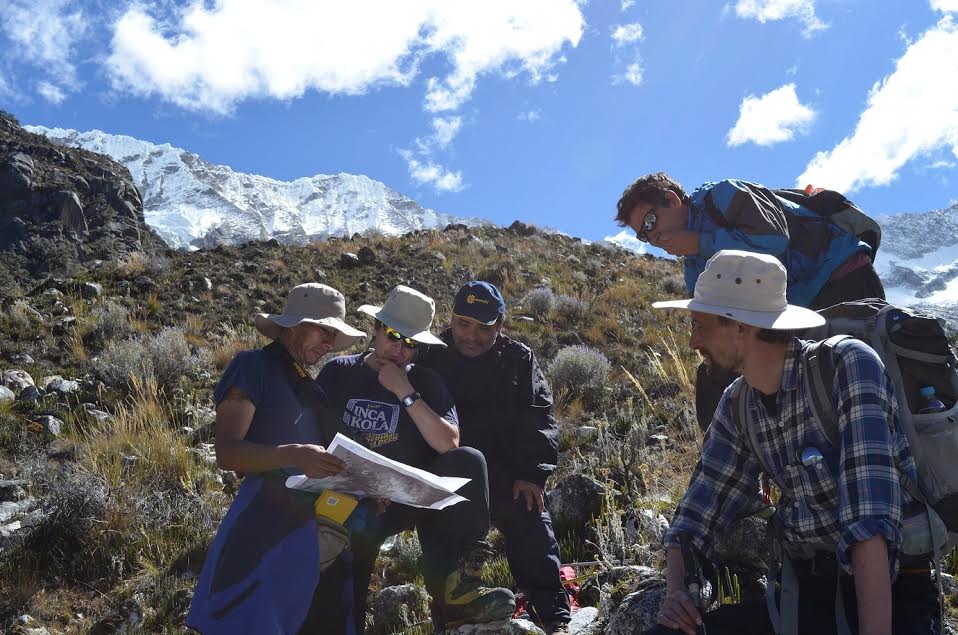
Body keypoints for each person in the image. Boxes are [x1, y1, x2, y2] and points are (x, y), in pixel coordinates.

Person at [644, 250, 939, 635]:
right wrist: (676, 595)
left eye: (699, 325)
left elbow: (870, 525)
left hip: (890, 592)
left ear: (739, 326)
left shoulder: (847, 366)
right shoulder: (738, 403)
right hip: (806, 593)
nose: (692, 341)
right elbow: (694, 518)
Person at [614, 173, 886, 430]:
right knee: (716, 378)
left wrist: (702, 242)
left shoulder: (723, 196)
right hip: (798, 308)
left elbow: (773, 239)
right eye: (643, 235)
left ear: (672, 200)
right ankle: (728, 462)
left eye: (650, 223)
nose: (653, 238)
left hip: (843, 278)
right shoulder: (693, 262)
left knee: (868, 383)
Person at [316, 284, 516, 632]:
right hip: (349, 500)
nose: (399, 348)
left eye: (411, 342)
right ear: (375, 329)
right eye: (393, 335)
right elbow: (315, 437)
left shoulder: (426, 382)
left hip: (402, 501)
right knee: (344, 599)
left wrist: (403, 391)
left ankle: (461, 586)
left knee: (469, 460)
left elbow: (449, 445)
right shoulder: (338, 373)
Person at [186, 283, 367, 634]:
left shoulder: (309, 388)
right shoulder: (252, 367)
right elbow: (228, 452)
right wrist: (294, 456)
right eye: (323, 330)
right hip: (263, 527)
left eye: (335, 334)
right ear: (292, 325)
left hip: (312, 529)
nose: (329, 343)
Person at [418, 281, 571, 635]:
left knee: (531, 517)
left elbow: (540, 416)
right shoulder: (430, 354)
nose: (472, 335)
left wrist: (533, 473)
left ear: (500, 325)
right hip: (448, 473)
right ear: (451, 320)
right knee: (441, 544)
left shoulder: (518, 358)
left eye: (485, 327)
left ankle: (553, 618)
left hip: (505, 474)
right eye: (464, 324)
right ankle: (450, 617)